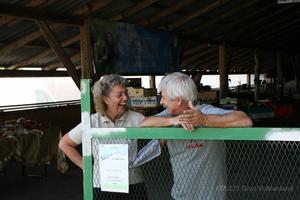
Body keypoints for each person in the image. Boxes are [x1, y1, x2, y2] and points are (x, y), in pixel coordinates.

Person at [140, 72, 253, 200]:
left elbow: (245, 121)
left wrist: (204, 120)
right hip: (181, 195)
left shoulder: (204, 111)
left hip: (213, 196)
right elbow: (143, 124)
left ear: (178, 100)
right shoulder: (168, 115)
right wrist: (174, 120)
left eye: (163, 97)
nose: (161, 101)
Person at [59, 74, 147, 199]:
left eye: (126, 93)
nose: (125, 98)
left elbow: (159, 129)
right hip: (102, 184)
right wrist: (86, 167)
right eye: (119, 95)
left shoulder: (136, 118)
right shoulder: (92, 122)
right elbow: (65, 143)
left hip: (133, 182)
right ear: (105, 99)